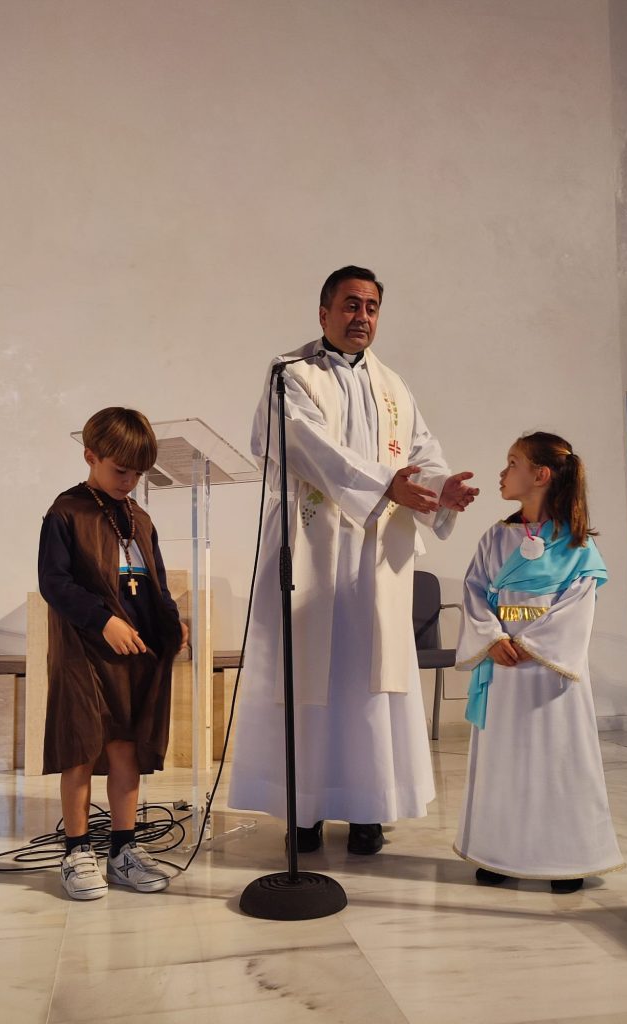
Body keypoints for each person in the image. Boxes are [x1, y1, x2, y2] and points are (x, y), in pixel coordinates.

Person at [228, 266, 478, 855]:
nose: (361, 316)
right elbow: (304, 444)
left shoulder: (394, 384)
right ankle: (307, 811)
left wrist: (440, 489)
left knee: (370, 686)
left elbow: (422, 452)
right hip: (313, 551)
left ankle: (368, 808)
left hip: (376, 560)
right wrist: (384, 487)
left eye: (370, 307)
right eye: (350, 305)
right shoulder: (290, 374)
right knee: (310, 683)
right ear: (323, 313)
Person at [453, 431, 624, 892]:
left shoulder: (578, 544)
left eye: (512, 463)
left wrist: (531, 645)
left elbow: (578, 604)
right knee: (503, 761)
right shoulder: (496, 537)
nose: (502, 473)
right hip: (503, 667)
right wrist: (490, 638)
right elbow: (473, 591)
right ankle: (500, 851)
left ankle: (565, 857)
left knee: (557, 760)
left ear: (541, 475)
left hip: (550, 676)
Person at [39, 407, 188, 900]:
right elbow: (54, 583)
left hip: (133, 652)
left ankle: (123, 850)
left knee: (126, 748)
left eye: (137, 473)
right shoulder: (67, 512)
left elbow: (156, 585)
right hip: (85, 650)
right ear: (90, 456)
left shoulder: (139, 518)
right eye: (119, 470)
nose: (129, 481)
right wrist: (103, 620)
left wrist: (172, 625)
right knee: (80, 748)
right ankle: (77, 851)